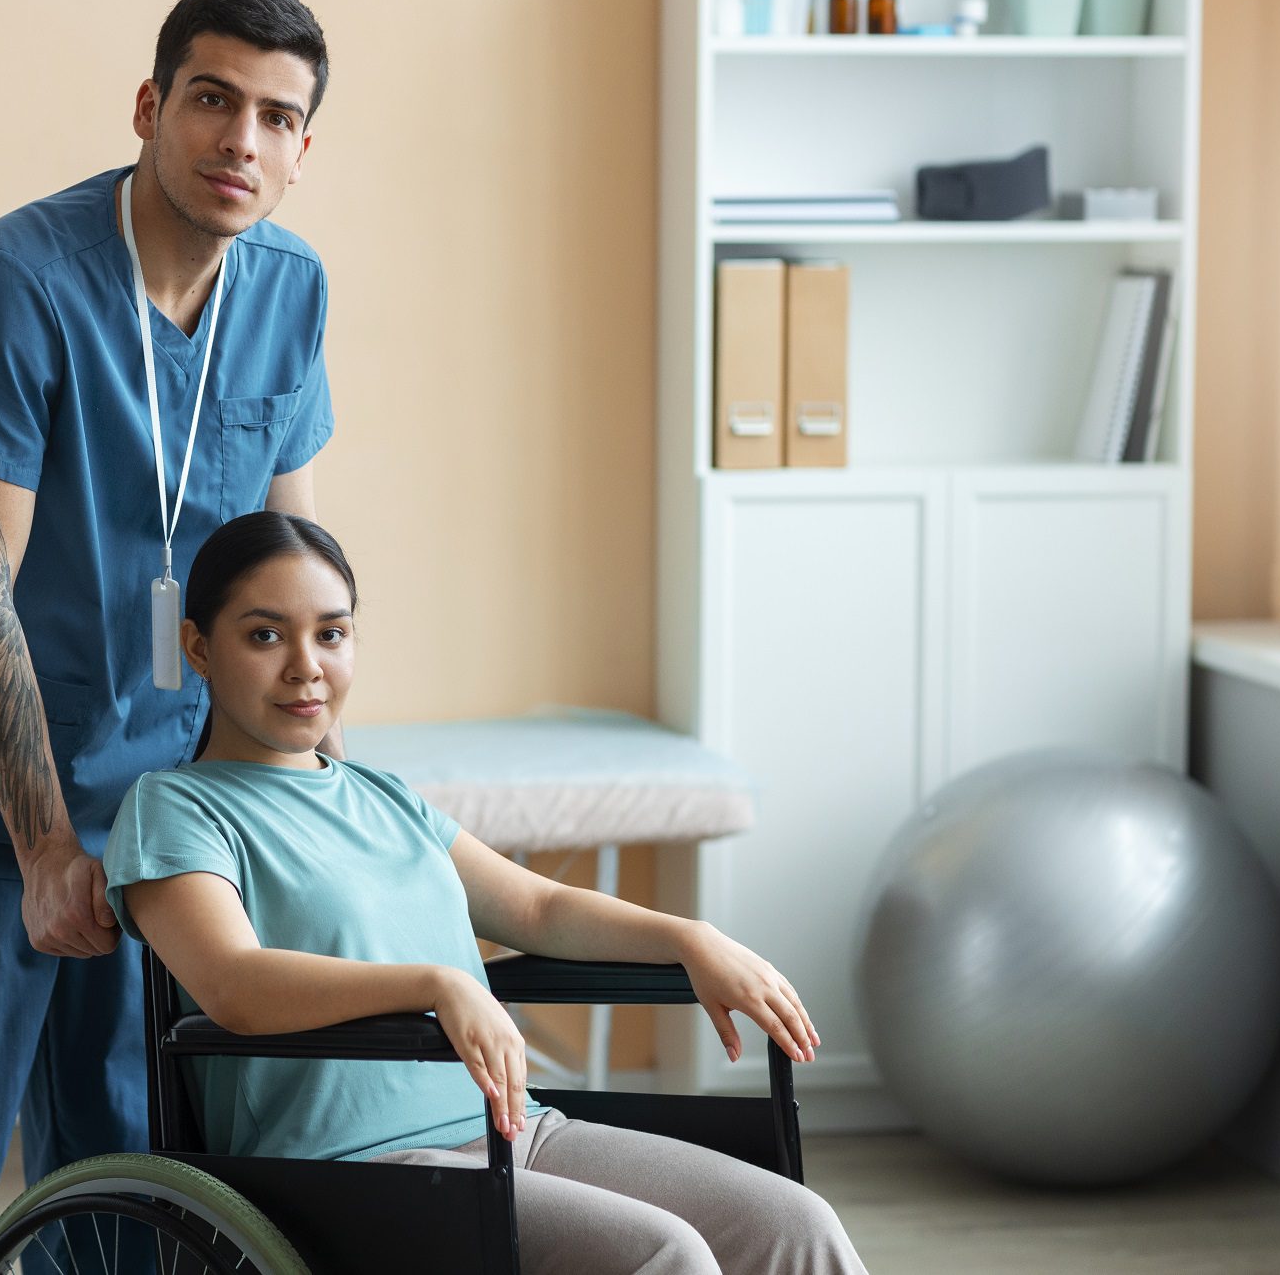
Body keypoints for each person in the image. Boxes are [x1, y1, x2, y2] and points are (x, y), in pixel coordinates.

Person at [0, 0, 337, 1275]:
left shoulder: (287, 290)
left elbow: (287, 575)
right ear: (153, 106)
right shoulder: (14, 285)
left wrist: (297, 791)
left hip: (158, 804)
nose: (241, 143)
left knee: (131, 1177)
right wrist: (45, 844)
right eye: (213, 101)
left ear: (304, 147)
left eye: (278, 118)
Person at [105, 512, 870, 1275]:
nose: (307, 666)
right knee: (665, 1257)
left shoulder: (385, 797)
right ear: (199, 648)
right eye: (266, 636)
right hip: (350, 1166)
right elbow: (233, 985)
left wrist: (690, 939)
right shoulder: (175, 810)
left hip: (512, 1128)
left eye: (332, 634)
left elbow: (538, 908)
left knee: (792, 1223)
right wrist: (437, 985)